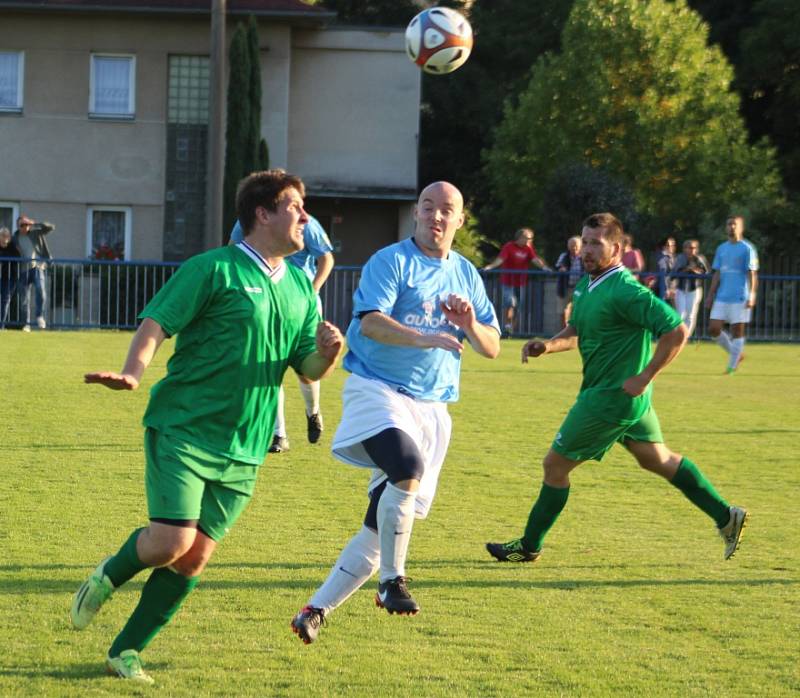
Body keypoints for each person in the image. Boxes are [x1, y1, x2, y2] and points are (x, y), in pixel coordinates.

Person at [69, 169, 344, 684]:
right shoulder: (212, 268)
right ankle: (109, 574)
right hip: (185, 429)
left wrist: (329, 354)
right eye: (295, 207)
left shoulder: (303, 290)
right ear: (262, 214)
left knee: (192, 560)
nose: (306, 217)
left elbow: (304, 366)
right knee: (171, 542)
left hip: (246, 446)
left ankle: (125, 651)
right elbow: (157, 320)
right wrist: (132, 372)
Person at [290, 181, 500, 645]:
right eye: (428, 207)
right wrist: (427, 337)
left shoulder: (466, 274)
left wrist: (467, 325)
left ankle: (315, 609)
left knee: (379, 522)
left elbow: (492, 346)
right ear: (417, 214)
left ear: (460, 221)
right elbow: (371, 323)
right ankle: (393, 580)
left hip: (432, 407)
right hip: (378, 389)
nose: (436, 217)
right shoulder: (391, 261)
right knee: (406, 467)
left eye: (447, 210)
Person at [486, 212, 747, 567]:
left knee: (554, 467)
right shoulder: (587, 284)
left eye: (596, 243)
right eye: (585, 241)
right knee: (658, 459)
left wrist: (647, 375)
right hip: (619, 397)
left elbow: (676, 331)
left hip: (611, 398)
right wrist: (547, 346)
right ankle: (725, 515)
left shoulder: (626, 290)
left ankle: (528, 546)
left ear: (618, 248)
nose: (587, 250)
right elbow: (576, 331)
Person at [230, 215, 335, 453]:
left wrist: (312, 289)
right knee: (269, 365)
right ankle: (279, 435)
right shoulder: (246, 221)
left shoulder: (305, 222)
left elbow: (326, 258)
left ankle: (313, 411)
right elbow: (232, 253)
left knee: (305, 370)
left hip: (301, 305)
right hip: (266, 301)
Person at [705, 216, 759, 374]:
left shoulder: (747, 248)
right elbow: (717, 273)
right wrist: (710, 295)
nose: (732, 227)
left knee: (737, 331)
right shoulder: (721, 248)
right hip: (722, 296)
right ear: (726, 227)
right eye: (729, 224)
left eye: (735, 225)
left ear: (741, 228)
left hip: (740, 296)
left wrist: (752, 294)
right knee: (713, 329)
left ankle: (731, 366)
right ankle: (736, 354)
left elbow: (752, 273)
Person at [483, 227, 549, 336]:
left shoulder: (528, 249)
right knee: (510, 303)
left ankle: (511, 329)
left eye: (531, 239)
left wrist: (544, 267)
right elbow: (501, 259)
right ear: (520, 237)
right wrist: (490, 267)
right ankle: (507, 326)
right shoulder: (509, 246)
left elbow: (535, 260)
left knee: (519, 307)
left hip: (521, 282)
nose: (529, 241)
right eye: (527, 238)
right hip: (508, 281)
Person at [12, 215, 54, 331]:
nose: (25, 227)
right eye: (22, 225)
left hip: (37, 267)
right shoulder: (15, 237)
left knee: (41, 291)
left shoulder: (36, 233)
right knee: (24, 299)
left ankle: (39, 316)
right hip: (22, 270)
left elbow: (50, 228)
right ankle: (26, 324)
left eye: (26, 224)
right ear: (18, 226)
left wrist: (36, 224)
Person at [670, 239, 709, 337]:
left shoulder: (700, 258)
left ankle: (686, 336)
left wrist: (695, 271)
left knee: (691, 315)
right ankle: (678, 335)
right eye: (689, 248)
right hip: (681, 289)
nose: (691, 250)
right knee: (680, 314)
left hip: (694, 289)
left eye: (693, 248)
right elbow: (673, 274)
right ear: (684, 249)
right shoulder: (680, 258)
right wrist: (687, 269)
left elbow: (707, 273)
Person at [554, 236, 584, 327]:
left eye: (576, 246)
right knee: (563, 310)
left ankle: (577, 331)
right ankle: (564, 330)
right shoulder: (564, 256)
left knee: (579, 309)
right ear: (568, 246)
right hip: (565, 287)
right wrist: (561, 268)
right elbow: (558, 266)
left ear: (580, 246)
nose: (573, 248)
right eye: (571, 246)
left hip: (580, 288)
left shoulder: (584, 257)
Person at [0, 227, 21, 329]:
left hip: (10, 277)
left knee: (5, 299)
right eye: (2, 236)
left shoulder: (12, 246)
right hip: (1, 277)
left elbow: (18, 257)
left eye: (6, 236)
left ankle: (1, 325)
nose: (4, 238)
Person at [653, 236, 676, 303]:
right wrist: (667, 289)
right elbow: (663, 274)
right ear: (664, 246)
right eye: (668, 245)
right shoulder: (661, 257)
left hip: (672, 289)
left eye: (673, 245)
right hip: (663, 289)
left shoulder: (674, 257)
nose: (671, 247)